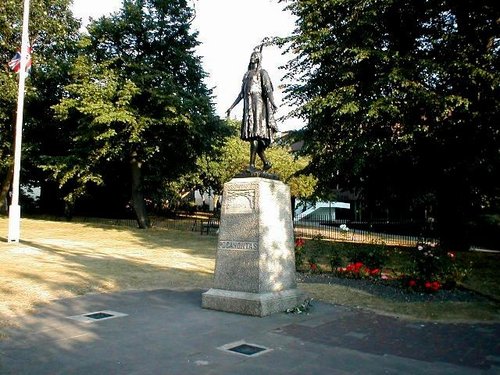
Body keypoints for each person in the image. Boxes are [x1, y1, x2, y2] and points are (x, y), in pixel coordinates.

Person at [226, 44, 278, 172]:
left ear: (259, 58)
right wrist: (231, 107)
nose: (252, 57)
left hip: (258, 107)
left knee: (255, 136)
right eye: (251, 55)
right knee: (253, 138)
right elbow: (241, 94)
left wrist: (273, 103)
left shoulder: (262, 73)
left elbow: (268, 90)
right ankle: (265, 162)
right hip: (248, 108)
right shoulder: (247, 74)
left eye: (255, 55)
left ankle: (252, 166)